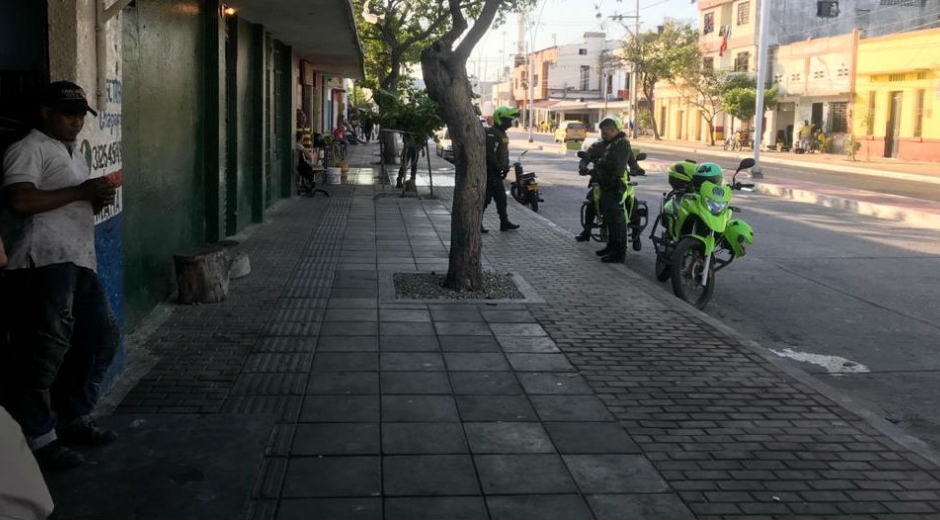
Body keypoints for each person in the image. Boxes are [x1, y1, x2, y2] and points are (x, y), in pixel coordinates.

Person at [0, 81, 120, 470]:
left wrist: (95, 195)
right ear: (46, 113)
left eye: (81, 115)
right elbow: (20, 199)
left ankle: (73, 416)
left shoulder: (69, 152)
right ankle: (40, 436)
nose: (76, 121)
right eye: (68, 114)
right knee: (41, 352)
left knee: (99, 337)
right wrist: (80, 193)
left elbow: (75, 195)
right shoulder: (27, 148)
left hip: (77, 259)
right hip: (41, 263)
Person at [591, 115, 631, 263]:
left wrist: (600, 163)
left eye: (605, 133)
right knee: (609, 218)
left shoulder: (621, 144)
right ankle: (611, 246)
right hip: (607, 184)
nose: (603, 136)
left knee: (616, 221)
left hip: (614, 185)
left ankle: (618, 253)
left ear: (613, 130)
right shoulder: (613, 142)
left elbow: (617, 166)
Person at [483, 107, 520, 233]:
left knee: (501, 200)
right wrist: (498, 166)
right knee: (485, 200)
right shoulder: (492, 133)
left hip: (497, 173)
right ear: (500, 119)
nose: (510, 123)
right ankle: (477, 224)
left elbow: (505, 152)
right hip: (490, 173)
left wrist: (506, 166)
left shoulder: (502, 133)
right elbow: (490, 153)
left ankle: (504, 222)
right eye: (508, 120)